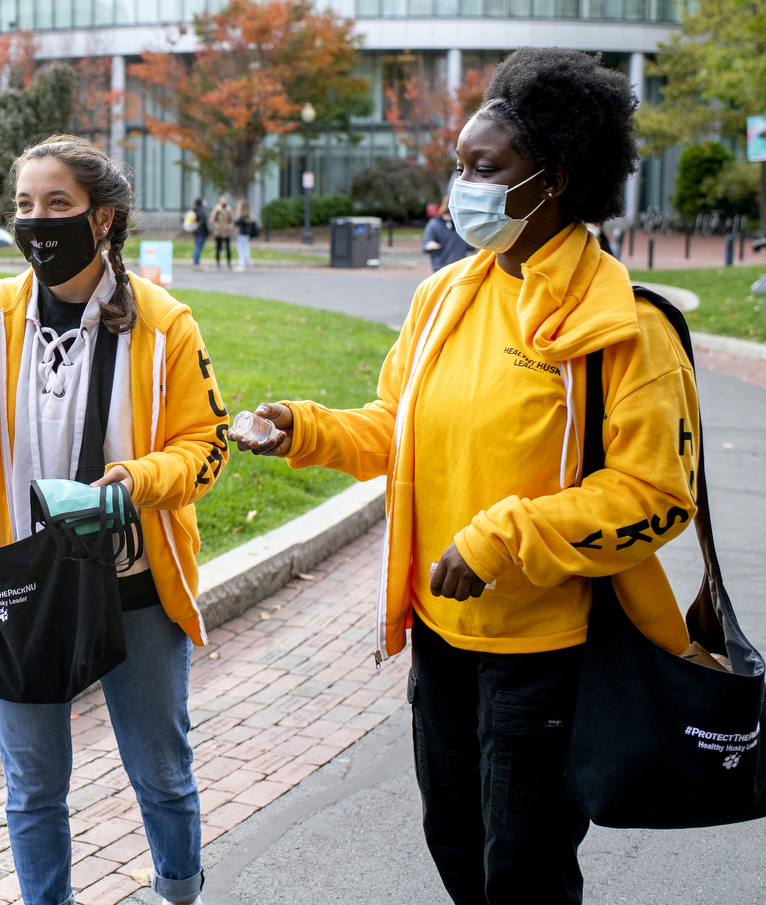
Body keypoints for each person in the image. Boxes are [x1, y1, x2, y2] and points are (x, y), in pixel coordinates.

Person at [230, 48, 699, 904]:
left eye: (487, 168)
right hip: (440, 637)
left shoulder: (627, 328)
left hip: (545, 648)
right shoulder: (445, 295)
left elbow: (657, 497)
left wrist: (502, 537)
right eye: (460, 165)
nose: (463, 185)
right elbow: (393, 432)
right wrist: (304, 429)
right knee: (455, 843)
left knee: (523, 870)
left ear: (551, 181)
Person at [0, 135, 229, 905]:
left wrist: (129, 485)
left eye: (58, 205)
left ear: (104, 219)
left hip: (135, 587)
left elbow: (207, 446)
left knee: (160, 771)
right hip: (24, 582)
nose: (37, 222)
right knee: (32, 788)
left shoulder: (163, 323)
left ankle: (179, 888)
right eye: (25, 206)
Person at [421, 201, 470, 271]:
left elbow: (470, 246)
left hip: (460, 268)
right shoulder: (434, 225)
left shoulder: (459, 226)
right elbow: (426, 243)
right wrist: (429, 244)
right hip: (442, 268)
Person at [209, 195, 234, 270]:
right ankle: (218, 263)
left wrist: (229, 227)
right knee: (218, 248)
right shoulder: (217, 209)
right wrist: (217, 227)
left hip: (227, 232)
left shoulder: (229, 210)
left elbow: (231, 220)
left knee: (228, 248)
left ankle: (229, 263)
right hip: (218, 232)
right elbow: (212, 220)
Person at [234, 198, 256, 272]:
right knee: (246, 248)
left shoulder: (241, 216)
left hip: (242, 234)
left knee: (241, 249)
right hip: (247, 234)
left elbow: (236, 223)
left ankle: (242, 264)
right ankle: (247, 262)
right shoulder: (249, 215)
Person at [189, 196, 210, 266]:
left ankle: (196, 263)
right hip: (201, 232)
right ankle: (196, 263)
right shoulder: (201, 211)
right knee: (198, 248)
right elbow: (204, 223)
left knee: (197, 247)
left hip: (196, 231)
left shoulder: (194, 210)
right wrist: (207, 231)